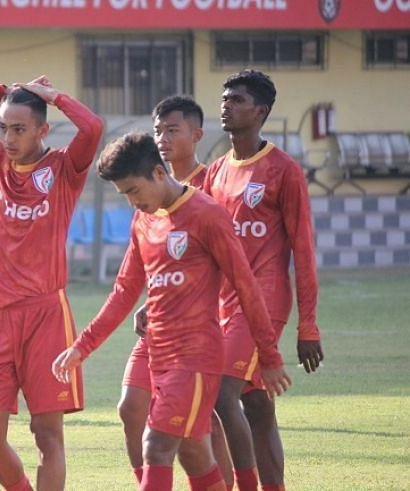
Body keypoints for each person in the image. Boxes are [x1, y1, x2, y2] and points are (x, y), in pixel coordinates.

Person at [53, 131, 291, 491]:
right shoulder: (143, 223)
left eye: (134, 190)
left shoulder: (207, 215)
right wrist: (82, 346)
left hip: (196, 357)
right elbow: (123, 292)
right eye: (124, 195)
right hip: (157, 355)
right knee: (194, 452)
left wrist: (270, 357)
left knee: (156, 445)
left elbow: (247, 288)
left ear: (159, 174)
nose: (132, 202)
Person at [0, 76, 104, 491]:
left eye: (19, 128)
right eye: (3, 127)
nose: (9, 137)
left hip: (46, 318)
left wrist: (54, 96)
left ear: (42, 130)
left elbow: (93, 129)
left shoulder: (64, 170)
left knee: (47, 436)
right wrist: (2, 90)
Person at [203, 70, 325, 491]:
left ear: (261, 112)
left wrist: (307, 325)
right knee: (256, 407)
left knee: (221, 393)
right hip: (223, 303)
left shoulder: (283, 171)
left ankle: (245, 485)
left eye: (237, 99)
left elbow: (304, 251)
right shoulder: (216, 172)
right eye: (224, 98)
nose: (227, 105)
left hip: (264, 301)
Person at [118, 96, 234, 488]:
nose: (163, 138)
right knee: (132, 408)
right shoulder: (147, 190)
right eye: (158, 131)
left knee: (199, 429)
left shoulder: (211, 184)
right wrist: (149, 301)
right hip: (160, 324)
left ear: (196, 135)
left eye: (172, 130)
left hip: (200, 329)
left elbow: (219, 261)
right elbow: (160, 259)